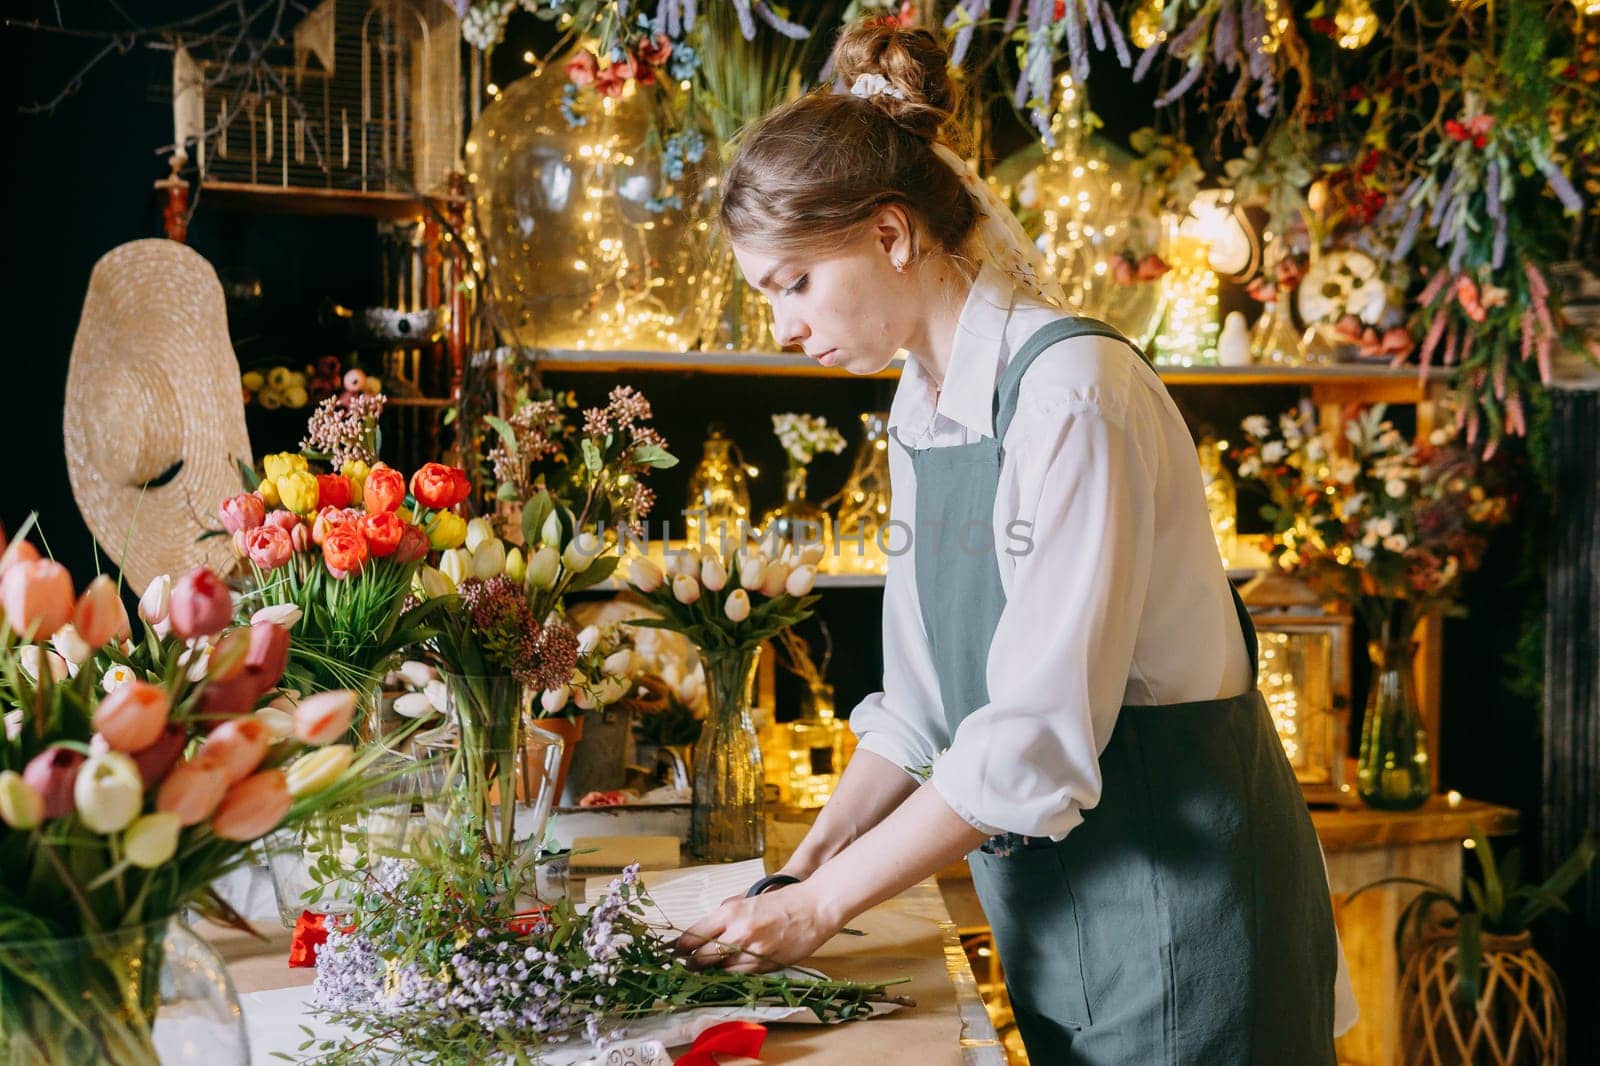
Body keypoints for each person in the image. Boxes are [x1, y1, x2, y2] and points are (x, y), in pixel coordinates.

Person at [674, 20, 1357, 1064]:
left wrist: (817, 914)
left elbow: (1034, 739)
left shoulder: (1073, 395)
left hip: (1182, 912)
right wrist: (807, 862)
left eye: (792, 282)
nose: (780, 327)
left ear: (890, 235)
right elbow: (918, 709)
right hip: (1054, 919)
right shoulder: (924, 398)